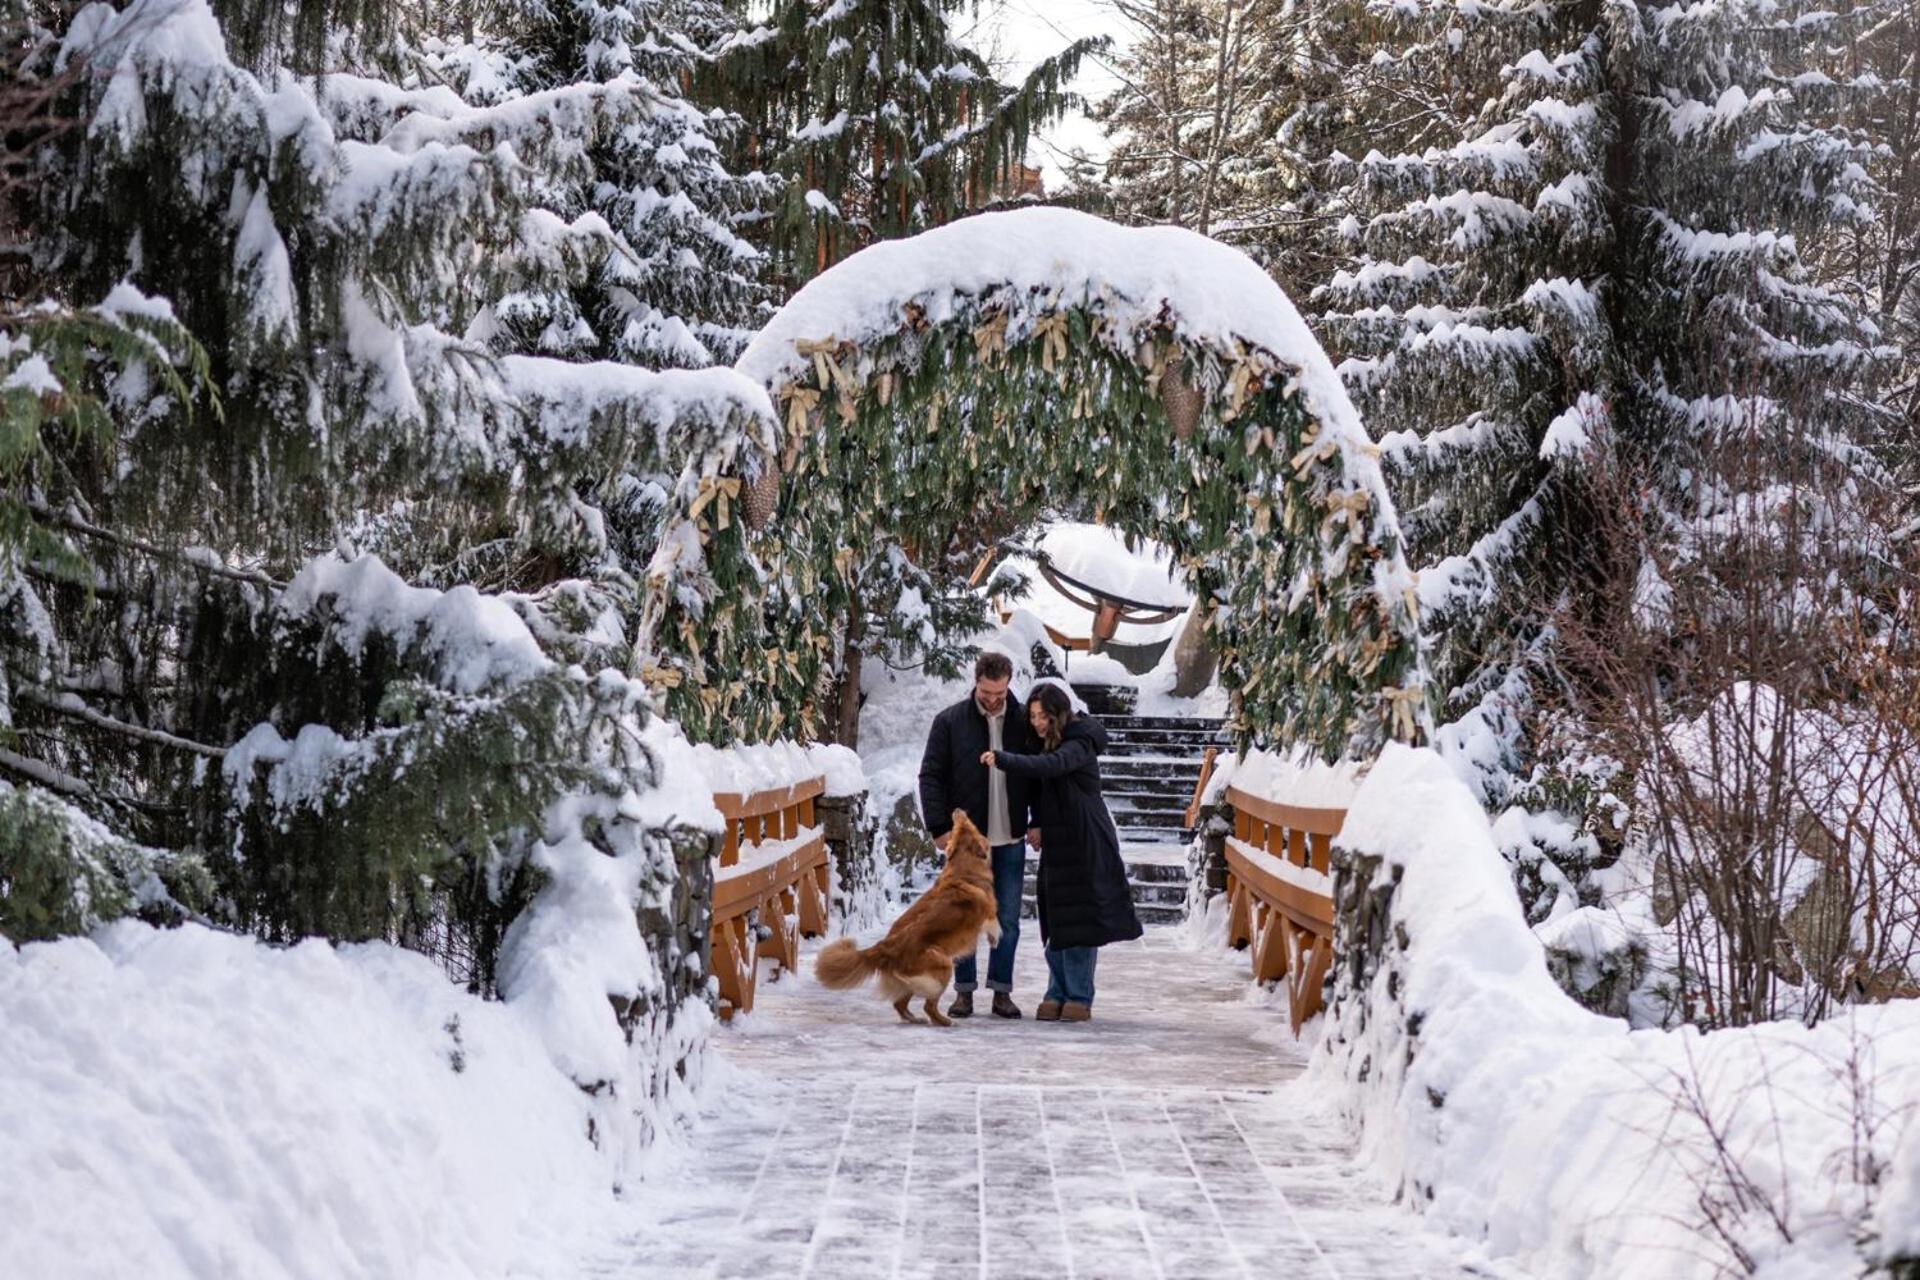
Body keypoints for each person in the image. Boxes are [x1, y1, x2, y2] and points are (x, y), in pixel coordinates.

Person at [981, 680, 1142, 1022]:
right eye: (1034, 716)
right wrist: (1036, 821)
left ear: (1060, 713)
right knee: (1056, 917)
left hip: (1085, 839)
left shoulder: (1079, 740)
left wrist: (1004, 759)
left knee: (1080, 919)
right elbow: (1043, 788)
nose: (1038, 723)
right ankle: (1056, 990)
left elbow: (1052, 767)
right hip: (1057, 840)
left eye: (1044, 716)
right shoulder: (1047, 742)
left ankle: (1079, 995)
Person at [917, 651, 1039, 1019]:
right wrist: (939, 828)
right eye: (986, 692)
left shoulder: (1023, 722)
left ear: (1008, 684)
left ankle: (1002, 992)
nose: (992, 699)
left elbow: (1039, 773)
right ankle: (964, 992)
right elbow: (931, 777)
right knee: (961, 917)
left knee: (1008, 920)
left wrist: (1038, 820)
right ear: (976, 683)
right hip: (968, 845)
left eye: (999, 692)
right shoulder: (950, 722)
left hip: (1012, 835)